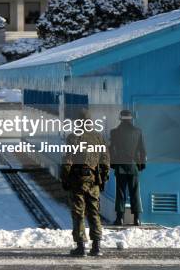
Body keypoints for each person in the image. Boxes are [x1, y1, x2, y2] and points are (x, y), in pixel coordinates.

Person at [61, 109, 110, 257]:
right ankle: (96, 246)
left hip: (77, 181)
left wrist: (65, 179)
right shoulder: (98, 137)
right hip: (93, 181)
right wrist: (103, 178)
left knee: (78, 213)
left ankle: (81, 247)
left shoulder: (72, 137)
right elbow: (105, 161)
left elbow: (67, 161)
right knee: (94, 212)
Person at [109, 109, 147, 226]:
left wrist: (113, 165)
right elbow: (142, 150)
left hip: (120, 166)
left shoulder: (114, 132)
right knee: (135, 192)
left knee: (120, 192)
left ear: (120, 118)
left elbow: (112, 150)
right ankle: (137, 219)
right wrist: (141, 165)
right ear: (131, 119)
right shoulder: (138, 132)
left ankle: (119, 218)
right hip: (133, 166)